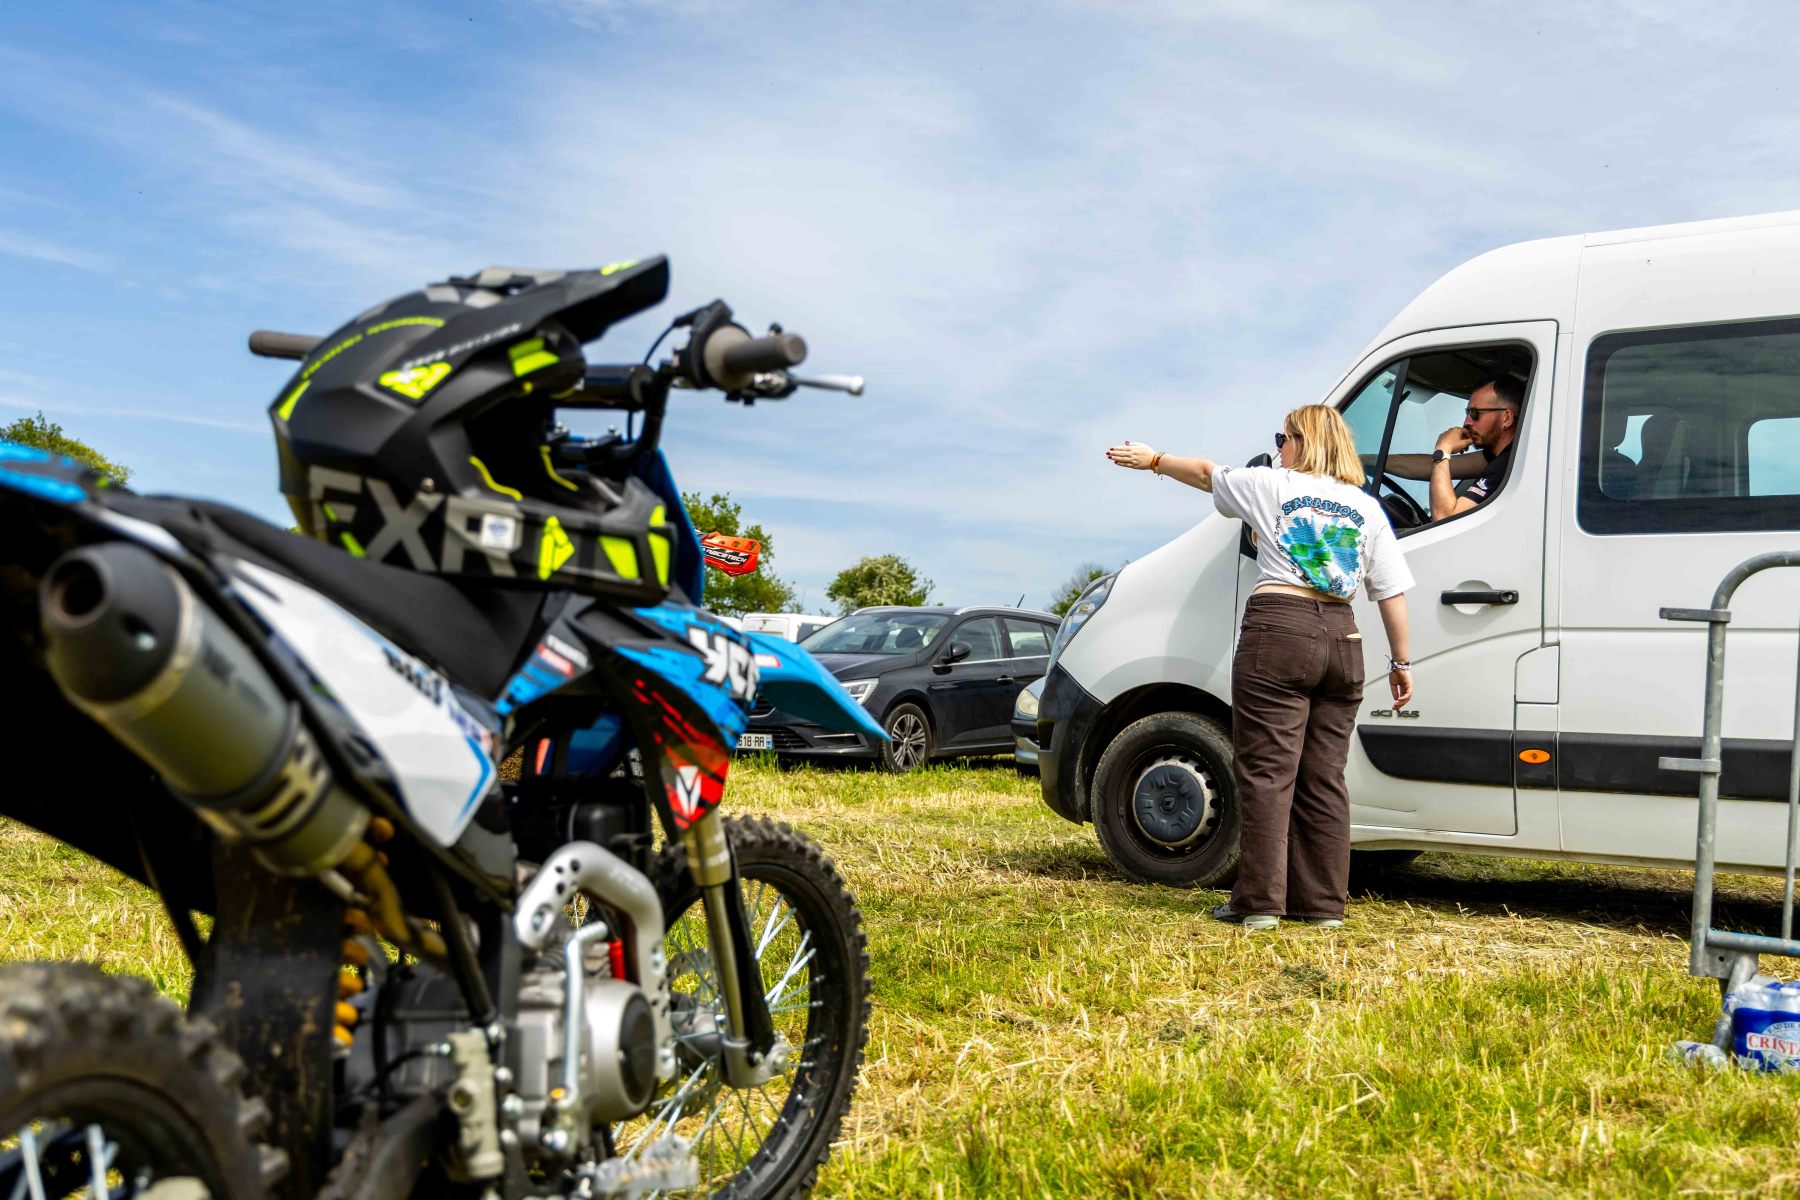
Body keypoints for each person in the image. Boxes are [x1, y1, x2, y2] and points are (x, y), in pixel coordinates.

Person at [1106, 406, 1413, 931]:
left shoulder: (1273, 485)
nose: (1278, 447)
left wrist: (1154, 459)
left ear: (1302, 442)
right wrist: (1402, 662)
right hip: (1344, 639)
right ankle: (1322, 906)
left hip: (1281, 627)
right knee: (1324, 777)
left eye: (1282, 437)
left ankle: (1260, 902)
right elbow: (1391, 591)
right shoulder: (1366, 508)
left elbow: (1205, 473)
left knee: (1268, 772)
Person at [1377, 374, 1522, 521]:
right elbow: (1427, 467)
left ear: (1506, 418)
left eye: (1475, 413)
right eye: (1467, 412)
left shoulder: (1508, 465)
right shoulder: (1500, 456)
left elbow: (1444, 518)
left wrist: (1443, 448)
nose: (1467, 422)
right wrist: (1370, 461)